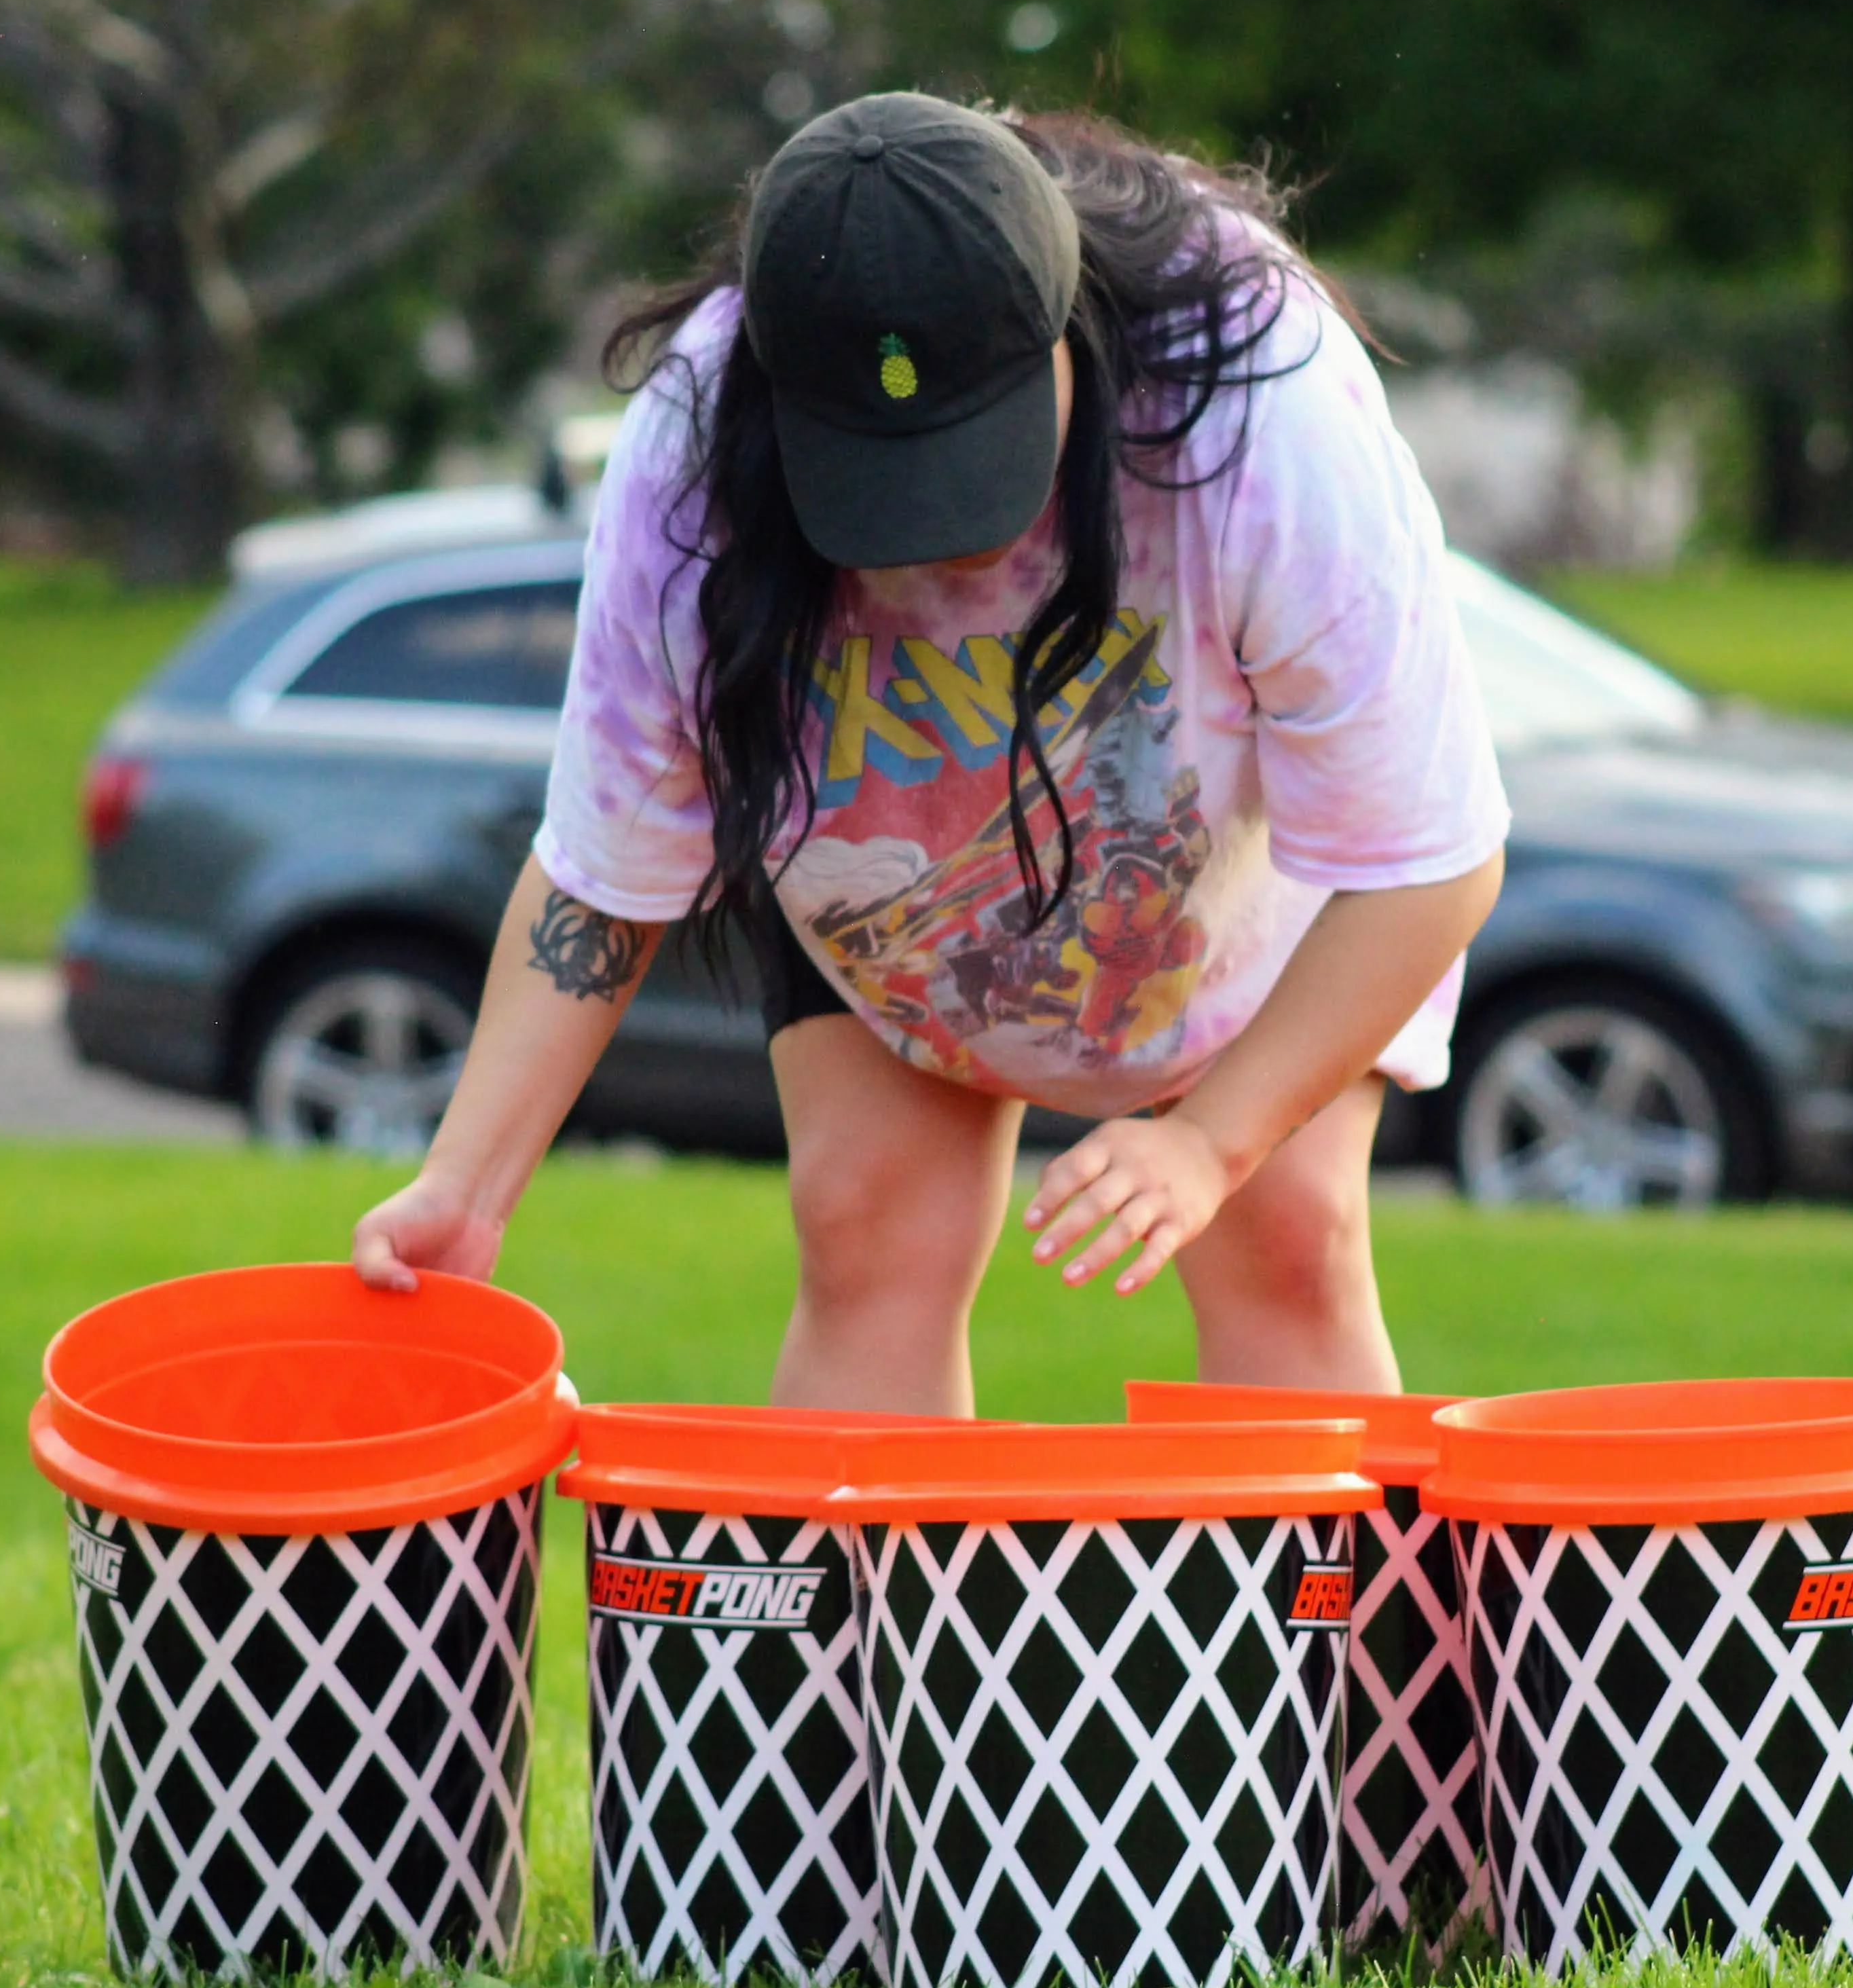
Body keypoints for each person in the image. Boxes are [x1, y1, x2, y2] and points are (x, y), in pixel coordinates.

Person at [350, 93, 1506, 1413]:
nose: (935, 541)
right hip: (886, 878)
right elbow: (609, 860)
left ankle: (1328, 1628)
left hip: (1218, 883)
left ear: (1067, 335)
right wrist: (465, 1186)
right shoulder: (690, 450)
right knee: (864, 1227)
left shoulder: (1259, 401)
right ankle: (880, 1625)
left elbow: (1430, 861)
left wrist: (1207, 1142)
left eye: (971, 451)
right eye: (872, 472)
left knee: (1290, 1238)